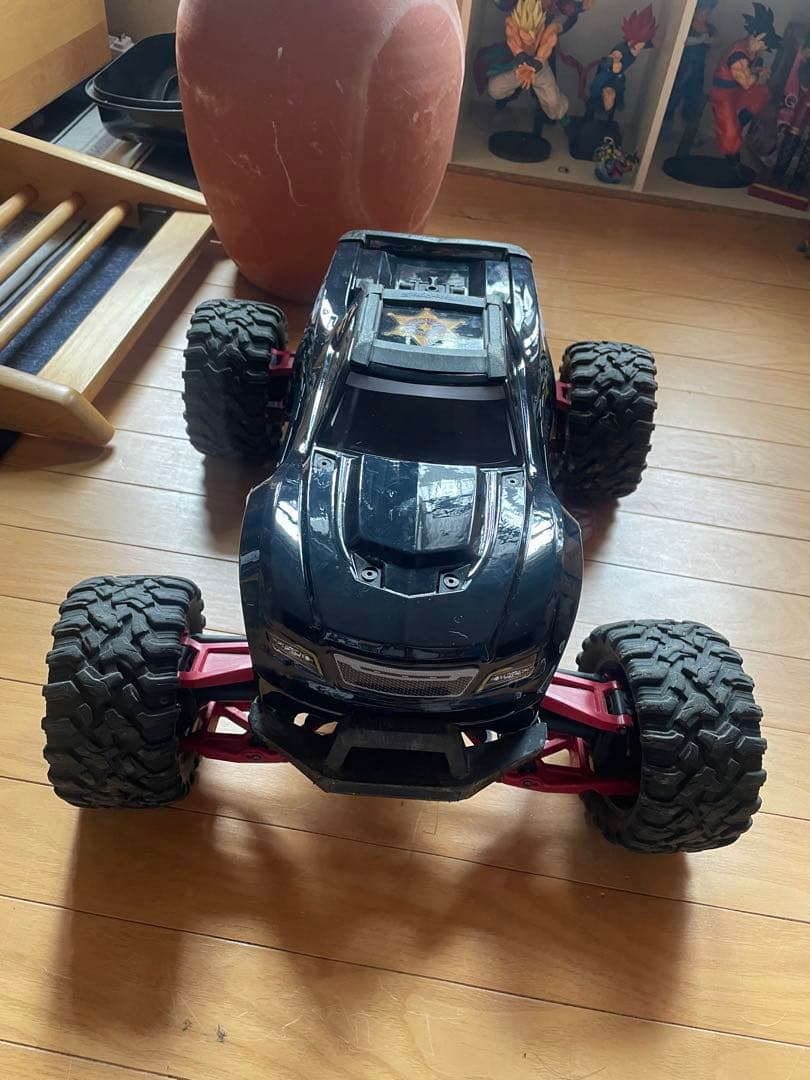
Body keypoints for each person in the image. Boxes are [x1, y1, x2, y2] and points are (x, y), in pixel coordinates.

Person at [709, 3, 782, 166]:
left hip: (737, 91)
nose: (764, 48)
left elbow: (750, 80)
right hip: (723, 94)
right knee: (730, 136)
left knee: (762, 92)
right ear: (756, 37)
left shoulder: (749, 50)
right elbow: (747, 82)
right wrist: (757, 74)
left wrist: (759, 71)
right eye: (764, 44)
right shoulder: (739, 55)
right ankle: (732, 162)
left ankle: (739, 121)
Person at [663, 0, 718, 134]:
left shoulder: (710, 28)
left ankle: (688, 134)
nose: (705, 13)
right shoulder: (687, 24)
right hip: (681, 68)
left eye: (708, 11)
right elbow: (678, 40)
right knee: (672, 98)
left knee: (693, 100)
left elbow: (718, 42)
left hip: (698, 70)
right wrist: (699, 40)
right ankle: (662, 131)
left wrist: (709, 40)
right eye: (702, 10)